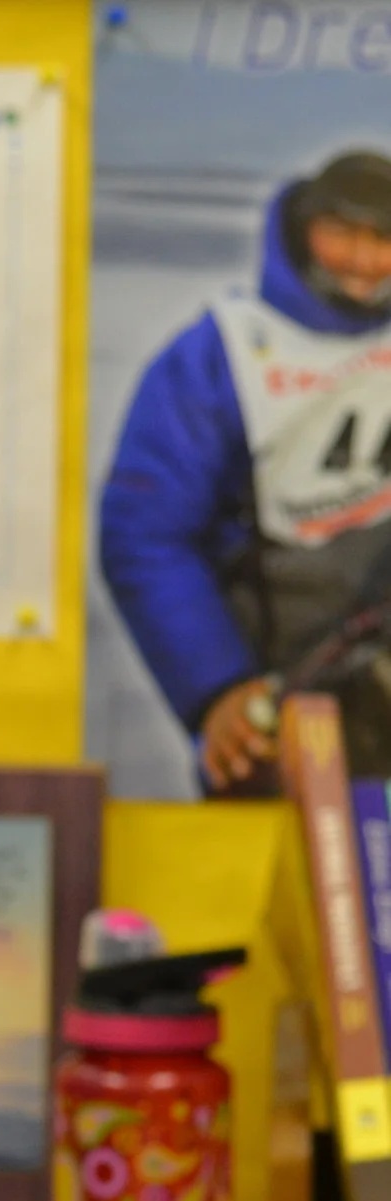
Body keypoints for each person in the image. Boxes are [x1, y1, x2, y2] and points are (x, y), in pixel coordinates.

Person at [101, 148, 391, 791]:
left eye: (383, 239)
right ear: (302, 230)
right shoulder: (217, 355)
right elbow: (143, 533)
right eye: (342, 232)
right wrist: (217, 688)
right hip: (276, 690)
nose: (363, 261)